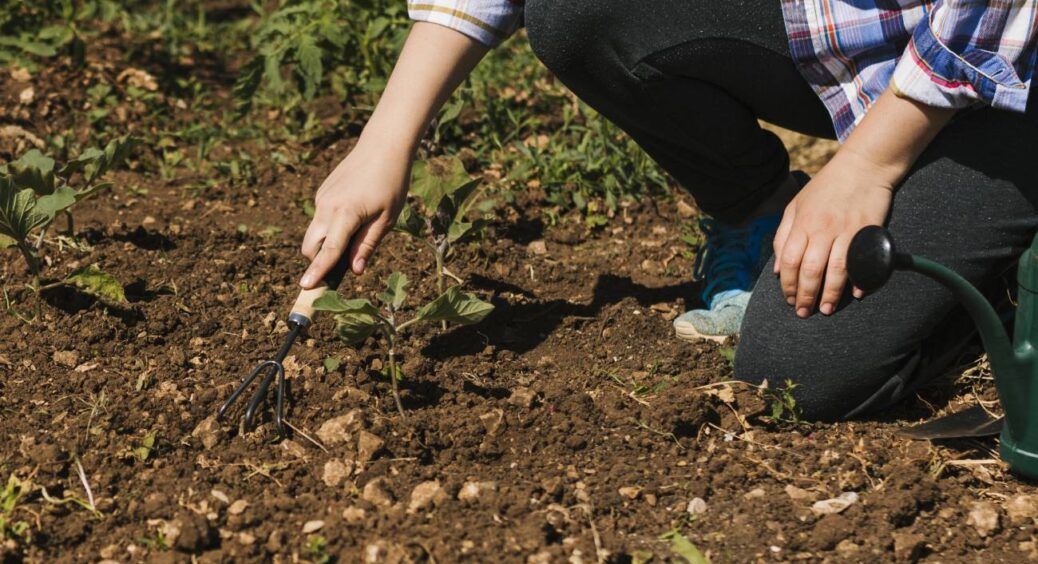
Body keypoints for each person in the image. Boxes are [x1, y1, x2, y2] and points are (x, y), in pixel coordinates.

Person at [297, 0, 1038, 420]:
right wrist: (385, 140)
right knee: (576, 11)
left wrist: (869, 165)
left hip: (1010, 77)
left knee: (798, 375)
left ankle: (998, 282)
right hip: (860, 35)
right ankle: (756, 211)